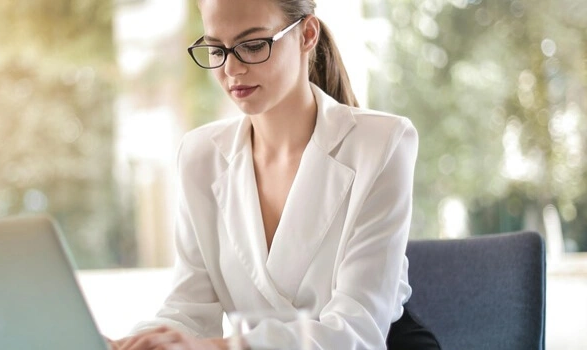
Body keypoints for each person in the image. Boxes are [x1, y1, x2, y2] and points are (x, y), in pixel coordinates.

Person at [111, 0, 440, 349]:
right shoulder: (200, 155)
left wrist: (216, 347)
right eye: (216, 49)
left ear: (307, 34)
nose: (232, 68)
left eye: (252, 45)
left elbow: (356, 330)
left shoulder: (383, 143)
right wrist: (126, 344)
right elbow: (187, 311)